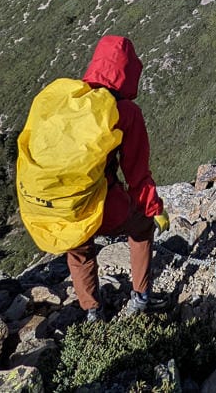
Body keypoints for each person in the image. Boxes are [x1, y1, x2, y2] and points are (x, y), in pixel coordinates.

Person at [61, 35, 170, 321]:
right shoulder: (125, 113)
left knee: (80, 252)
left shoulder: (72, 102)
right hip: (102, 204)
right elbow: (136, 173)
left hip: (61, 204)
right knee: (142, 227)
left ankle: (92, 314)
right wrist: (153, 208)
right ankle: (141, 299)